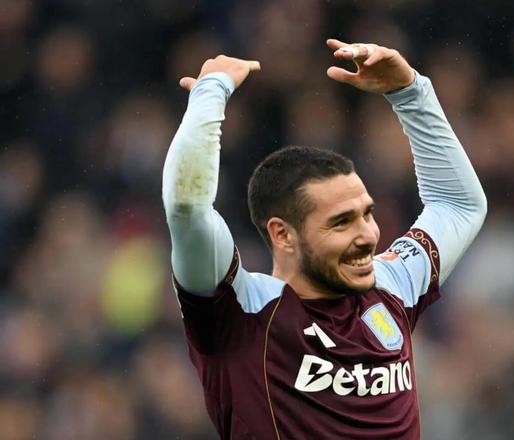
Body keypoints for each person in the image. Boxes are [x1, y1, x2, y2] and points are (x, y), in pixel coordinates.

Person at [162, 38, 487, 439]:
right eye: (341, 222)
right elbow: (187, 207)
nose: (368, 235)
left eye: (367, 213)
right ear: (283, 234)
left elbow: (458, 205)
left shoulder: (392, 284)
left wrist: (410, 93)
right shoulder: (238, 313)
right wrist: (212, 91)